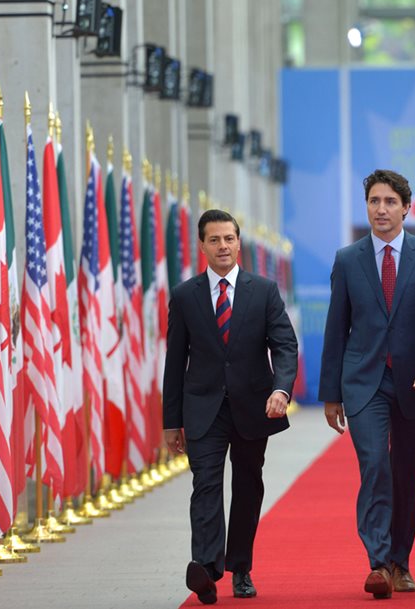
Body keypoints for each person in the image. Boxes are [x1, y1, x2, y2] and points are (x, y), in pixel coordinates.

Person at [320, 169, 415, 599]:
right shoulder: (348, 259)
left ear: (405, 208)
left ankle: (401, 560)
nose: (381, 209)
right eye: (374, 201)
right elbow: (336, 327)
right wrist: (331, 394)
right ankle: (378, 563)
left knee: (406, 472)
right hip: (364, 382)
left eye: (389, 202)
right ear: (367, 207)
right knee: (375, 464)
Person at [163, 209, 298, 604]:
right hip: (202, 408)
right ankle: (206, 570)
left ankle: (240, 568)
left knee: (247, 485)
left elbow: (285, 346)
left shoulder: (264, 291)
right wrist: (172, 421)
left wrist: (282, 390)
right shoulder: (185, 295)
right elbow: (175, 362)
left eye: (229, 239)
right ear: (202, 245)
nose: (223, 246)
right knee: (205, 484)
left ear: (239, 243)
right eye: (214, 240)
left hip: (253, 406)